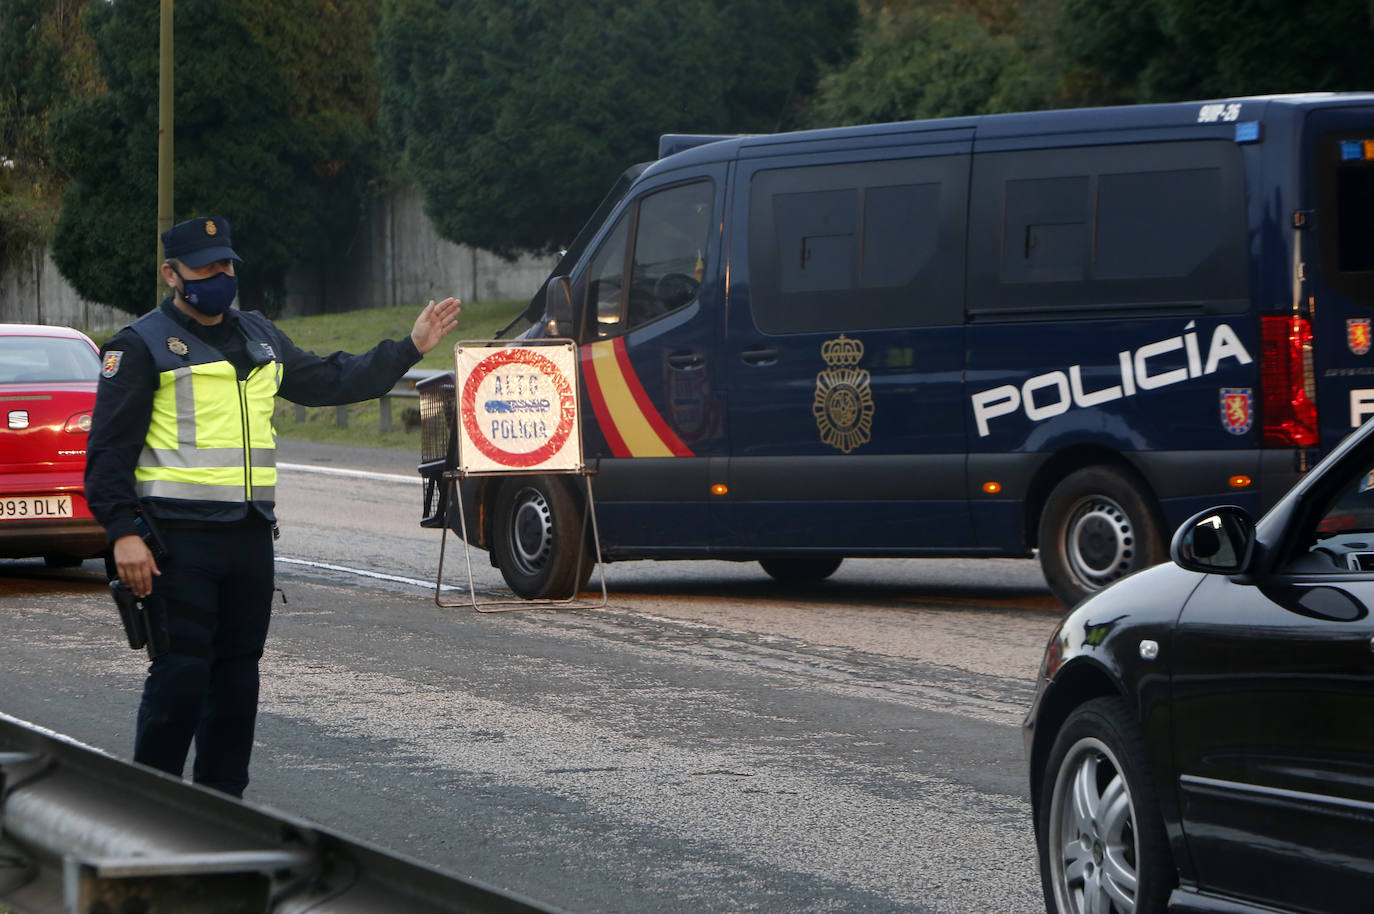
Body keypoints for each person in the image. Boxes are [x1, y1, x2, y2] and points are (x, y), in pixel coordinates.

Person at [85, 215, 461, 797]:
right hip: (176, 543)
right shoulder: (141, 346)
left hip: (248, 539)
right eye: (208, 267)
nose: (223, 275)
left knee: (236, 685)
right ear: (172, 274)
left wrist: (407, 349)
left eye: (228, 264)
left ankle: (224, 810)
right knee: (181, 678)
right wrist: (122, 532)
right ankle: (151, 807)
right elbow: (107, 455)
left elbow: (331, 380)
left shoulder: (260, 336)